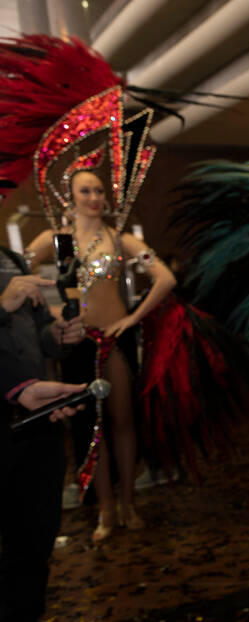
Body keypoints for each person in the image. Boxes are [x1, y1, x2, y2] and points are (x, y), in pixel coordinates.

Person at [24, 170, 177, 542]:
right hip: (76, 341)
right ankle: (105, 508)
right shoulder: (56, 239)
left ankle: (128, 502)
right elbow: (18, 272)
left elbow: (165, 278)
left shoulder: (118, 238)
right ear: (70, 196)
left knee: (123, 422)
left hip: (114, 339)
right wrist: (50, 314)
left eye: (98, 190)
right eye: (85, 190)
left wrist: (132, 317)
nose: (93, 196)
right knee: (89, 428)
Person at [0, 247, 83, 622]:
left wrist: (60, 335)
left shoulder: (11, 261)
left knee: (34, 539)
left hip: (35, 423)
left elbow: (35, 334)